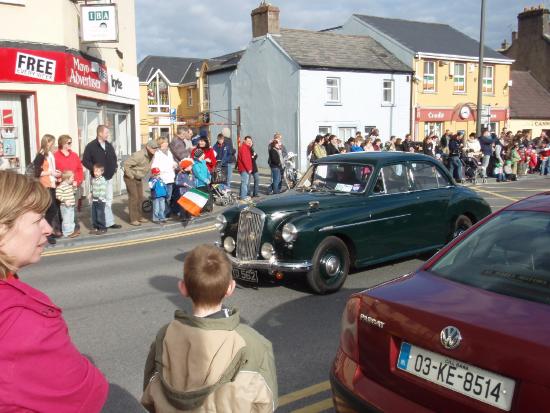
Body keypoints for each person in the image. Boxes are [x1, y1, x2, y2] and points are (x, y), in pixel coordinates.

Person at [0, 171, 108, 412]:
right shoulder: (24, 321)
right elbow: (88, 396)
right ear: (2, 229)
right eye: (37, 220)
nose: (48, 228)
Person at [141, 244, 277, 413]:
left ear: (183, 288)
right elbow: (266, 405)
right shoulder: (254, 344)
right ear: (230, 288)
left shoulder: (164, 337)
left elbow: (149, 396)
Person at [82, 125, 121, 229]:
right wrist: (95, 170)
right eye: (106, 133)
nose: (108, 135)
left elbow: (113, 157)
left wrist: (115, 167)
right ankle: (98, 223)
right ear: (100, 133)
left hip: (108, 177)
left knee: (108, 199)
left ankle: (109, 222)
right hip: (97, 178)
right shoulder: (91, 146)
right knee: (97, 201)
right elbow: (85, 161)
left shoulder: (108, 145)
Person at [33, 134, 61, 245]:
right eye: (52, 142)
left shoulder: (49, 154)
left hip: (52, 183)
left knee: (53, 209)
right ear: (47, 142)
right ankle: (46, 233)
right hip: (45, 185)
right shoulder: (41, 155)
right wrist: (51, 173)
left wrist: (55, 172)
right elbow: (37, 172)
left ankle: (48, 231)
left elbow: (50, 168)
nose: (53, 145)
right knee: (51, 209)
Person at [123, 140, 159, 226]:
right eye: (153, 148)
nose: (155, 150)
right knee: (134, 197)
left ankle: (139, 216)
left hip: (139, 178)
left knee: (140, 197)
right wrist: (131, 176)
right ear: (148, 147)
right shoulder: (138, 155)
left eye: (156, 148)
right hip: (130, 177)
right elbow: (126, 164)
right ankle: (133, 219)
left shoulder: (152, 155)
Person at [54, 134, 84, 234]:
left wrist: (79, 180)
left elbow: (79, 169)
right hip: (62, 186)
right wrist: (58, 179)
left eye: (71, 142)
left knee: (72, 207)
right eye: (69, 142)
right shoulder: (55, 156)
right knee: (61, 208)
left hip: (73, 185)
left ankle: (75, 227)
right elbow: (53, 170)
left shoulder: (74, 155)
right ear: (62, 143)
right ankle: (60, 228)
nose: (71, 144)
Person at [152, 136, 177, 219]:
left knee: (168, 197)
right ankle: (163, 213)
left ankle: (166, 212)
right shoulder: (157, 153)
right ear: (160, 144)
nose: (166, 143)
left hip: (170, 177)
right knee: (163, 197)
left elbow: (172, 161)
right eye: (164, 142)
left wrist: (174, 164)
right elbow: (154, 166)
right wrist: (159, 172)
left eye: (167, 142)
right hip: (162, 178)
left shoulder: (169, 152)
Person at [55, 170, 78, 238]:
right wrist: (65, 201)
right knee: (66, 219)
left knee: (71, 219)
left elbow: (73, 193)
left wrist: (74, 187)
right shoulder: (61, 186)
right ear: (67, 179)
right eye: (72, 178)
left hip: (71, 206)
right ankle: (67, 232)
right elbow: (58, 195)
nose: (73, 179)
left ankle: (71, 231)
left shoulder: (69, 185)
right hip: (65, 206)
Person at [89, 164, 108, 235]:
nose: (96, 173)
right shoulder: (93, 179)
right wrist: (90, 193)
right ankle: (96, 227)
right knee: (94, 214)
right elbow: (92, 187)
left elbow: (103, 190)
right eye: (95, 171)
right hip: (94, 200)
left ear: (102, 172)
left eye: (98, 171)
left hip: (100, 200)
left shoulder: (102, 180)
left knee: (100, 214)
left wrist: (100, 198)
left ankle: (102, 228)